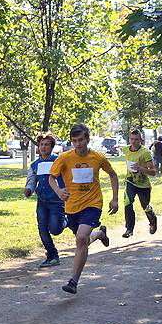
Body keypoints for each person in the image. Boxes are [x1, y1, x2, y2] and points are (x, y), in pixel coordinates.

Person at [49, 124, 119, 294]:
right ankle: (100, 234)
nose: (78, 144)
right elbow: (52, 178)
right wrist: (59, 191)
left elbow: (113, 174)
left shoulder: (98, 157)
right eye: (74, 141)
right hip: (72, 206)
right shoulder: (65, 158)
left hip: (93, 203)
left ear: (87, 139)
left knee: (81, 238)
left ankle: (73, 281)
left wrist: (115, 199)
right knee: (83, 241)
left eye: (81, 140)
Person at [24, 132, 66, 267]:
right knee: (42, 228)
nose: (43, 147)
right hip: (42, 201)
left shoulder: (58, 160)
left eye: (47, 145)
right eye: (41, 144)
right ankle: (52, 255)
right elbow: (32, 180)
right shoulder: (35, 164)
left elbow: (66, 177)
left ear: (52, 146)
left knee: (55, 229)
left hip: (57, 201)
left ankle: (67, 220)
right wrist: (29, 189)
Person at [121, 129, 158, 238]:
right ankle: (129, 229)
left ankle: (153, 220)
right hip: (130, 181)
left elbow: (153, 172)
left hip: (143, 185)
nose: (133, 142)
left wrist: (141, 168)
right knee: (127, 202)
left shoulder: (145, 152)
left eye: (136, 139)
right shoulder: (126, 149)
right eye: (131, 139)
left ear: (140, 140)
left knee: (145, 206)